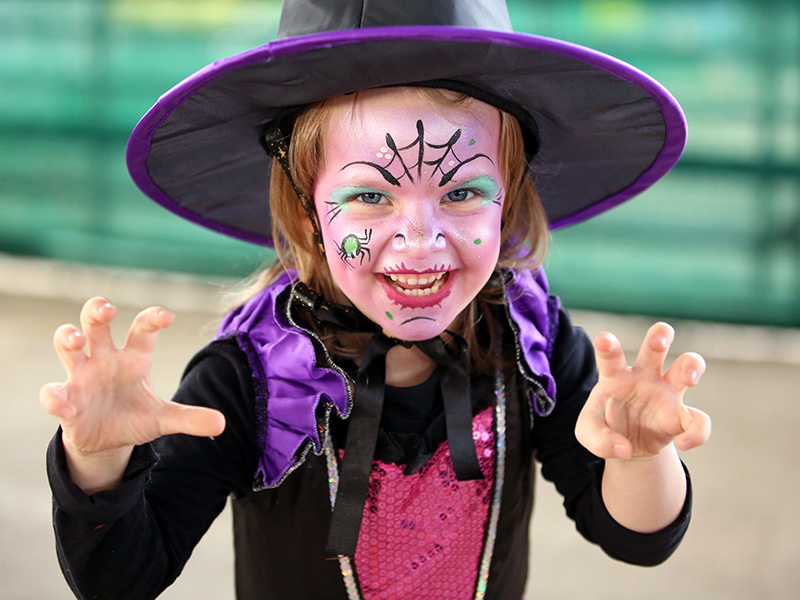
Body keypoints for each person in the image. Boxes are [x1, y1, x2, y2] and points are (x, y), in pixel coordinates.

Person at [41, 1, 712, 599]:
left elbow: (636, 537)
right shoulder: (253, 378)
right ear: (307, 212)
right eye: (369, 197)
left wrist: (643, 455)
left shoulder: (531, 344)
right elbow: (118, 577)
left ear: (510, 202)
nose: (419, 242)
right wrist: (98, 465)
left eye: (461, 193)